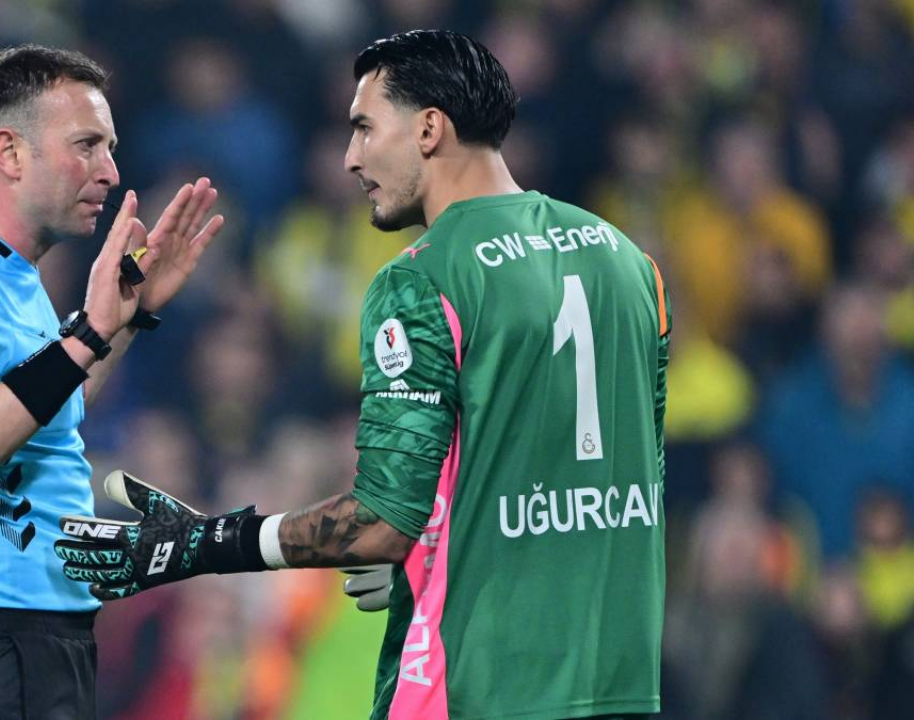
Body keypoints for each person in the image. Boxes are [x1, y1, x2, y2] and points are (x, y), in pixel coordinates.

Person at [57, 30, 670, 720]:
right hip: (615, 678)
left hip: (475, 684)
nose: (351, 158)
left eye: (365, 128)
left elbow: (382, 521)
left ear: (430, 129)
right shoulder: (630, 264)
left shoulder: (423, 279)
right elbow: (612, 479)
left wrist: (204, 543)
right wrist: (427, 553)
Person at [0, 44, 223, 719]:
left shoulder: (7, 278)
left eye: (110, 149)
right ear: (10, 152)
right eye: (86, 145)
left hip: (25, 640)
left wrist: (125, 319)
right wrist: (86, 335)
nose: (110, 171)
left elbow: (33, 416)